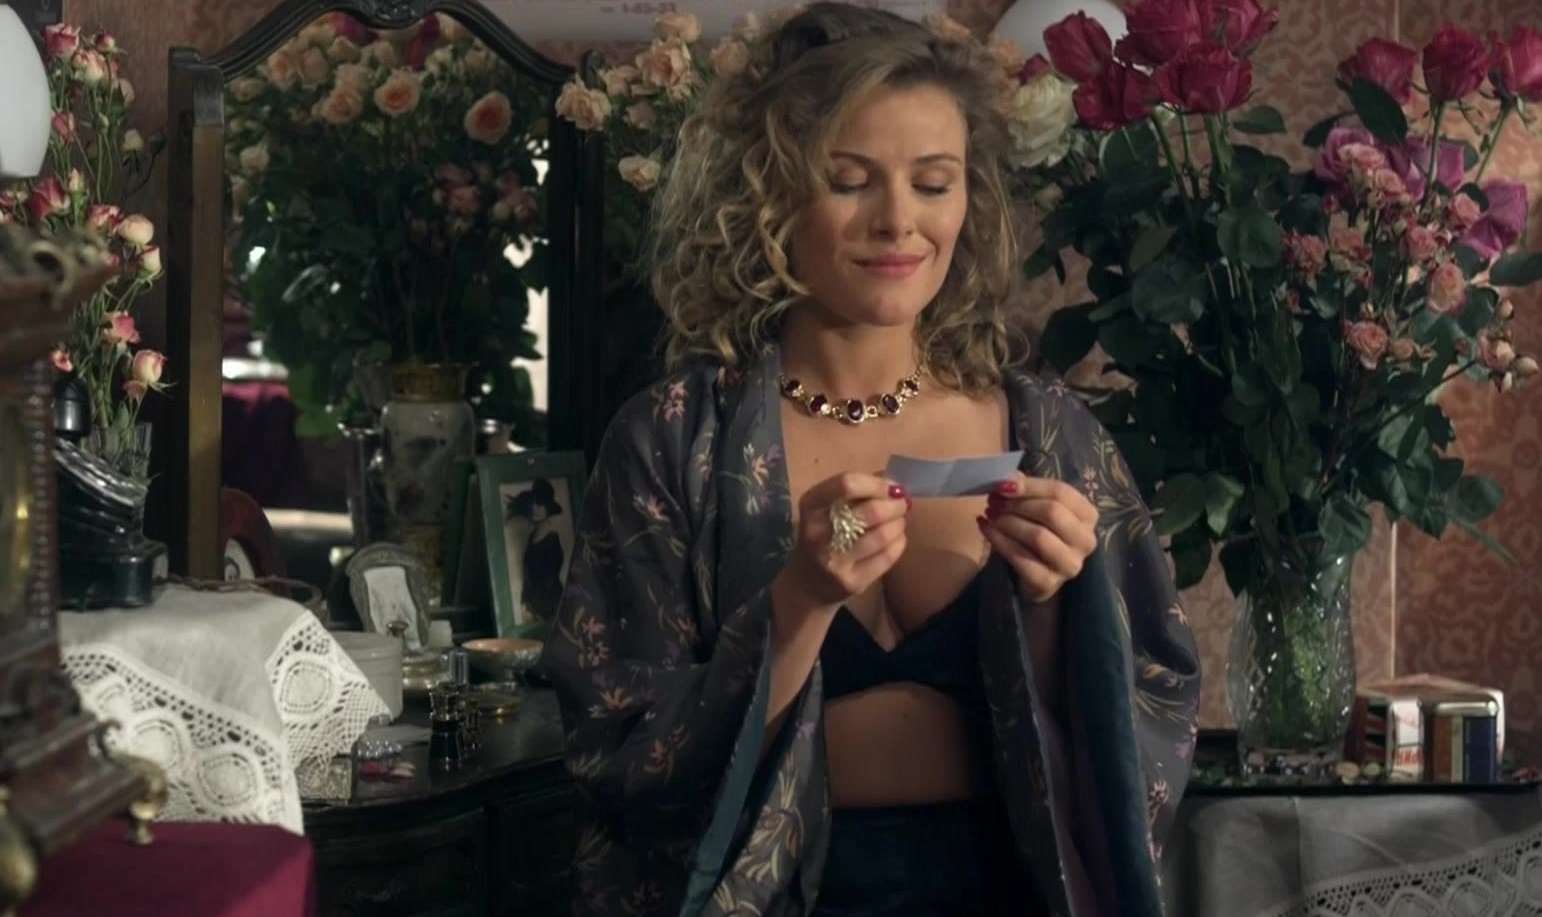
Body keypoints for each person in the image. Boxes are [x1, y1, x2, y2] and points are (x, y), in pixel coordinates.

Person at [542, 5, 1200, 916]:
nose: (899, 222)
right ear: (769, 194)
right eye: (850, 181)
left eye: (933, 183)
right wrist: (799, 601)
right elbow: (615, 752)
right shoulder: (671, 441)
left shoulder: (1051, 432)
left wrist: (1057, 606)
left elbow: (1150, 732)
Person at [505, 478, 566, 624]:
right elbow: (528, 574)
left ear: (548, 508)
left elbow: (549, 579)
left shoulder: (552, 539)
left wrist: (534, 606)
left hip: (550, 606)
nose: (536, 509)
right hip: (535, 607)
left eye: (540, 504)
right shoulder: (532, 536)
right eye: (534, 504)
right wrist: (525, 602)